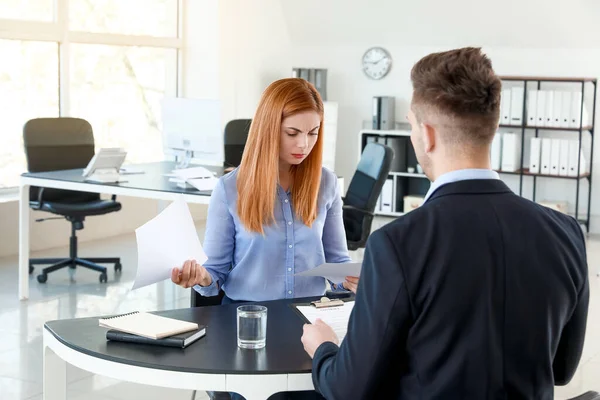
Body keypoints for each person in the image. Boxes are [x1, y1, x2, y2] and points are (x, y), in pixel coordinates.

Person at [301, 47, 589, 399]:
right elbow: (561, 368)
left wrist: (324, 349)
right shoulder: (566, 233)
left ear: (427, 133)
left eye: (410, 125)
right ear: (492, 126)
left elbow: (347, 390)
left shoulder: (397, 244)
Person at [172, 78, 357, 400]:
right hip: (246, 322)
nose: (304, 144)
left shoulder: (325, 183)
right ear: (269, 129)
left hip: (310, 320)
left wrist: (352, 279)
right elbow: (214, 273)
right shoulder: (230, 189)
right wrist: (200, 277)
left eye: (313, 133)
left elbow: (337, 263)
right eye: (293, 133)